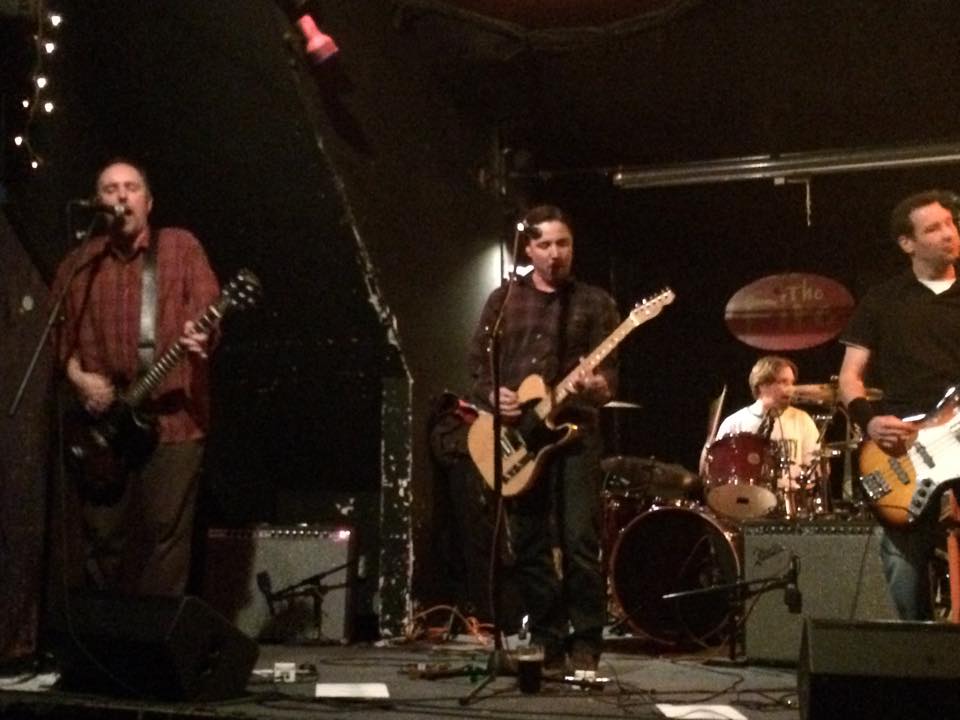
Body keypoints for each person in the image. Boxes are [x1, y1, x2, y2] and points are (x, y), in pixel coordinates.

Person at [52, 159, 220, 597]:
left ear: (148, 201)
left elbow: (209, 313)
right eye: (110, 190)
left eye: (131, 188)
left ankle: (157, 632)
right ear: (97, 202)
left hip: (172, 418)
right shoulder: (78, 265)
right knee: (103, 537)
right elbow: (56, 341)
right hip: (104, 424)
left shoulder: (180, 248)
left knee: (165, 538)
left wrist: (202, 336)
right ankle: (106, 629)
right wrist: (79, 379)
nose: (121, 197)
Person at [467, 204, 619, 671]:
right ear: (529, 249)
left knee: (579, 541)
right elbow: (477, 365)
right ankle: (548, 635)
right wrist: (493, 394)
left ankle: (586, 639)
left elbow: (610, 380)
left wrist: (596, 386)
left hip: (576, 433)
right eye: (546, 244)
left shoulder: (595, 302)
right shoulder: (503, 300)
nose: (556, 253)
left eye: (564, 243)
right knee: (529, 542)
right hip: (518, 436)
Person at [838, 189, 960, 620]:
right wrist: (870, 423)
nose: (949, 233)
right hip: (903, 446)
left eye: (950, 223)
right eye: (933, 228)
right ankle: (918, 648)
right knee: (904, 564)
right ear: (908, 243)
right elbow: (849, 378)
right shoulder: (882, 300)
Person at [711, 355, 821, 500]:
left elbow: (816, 468)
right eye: (783, 382)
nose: (791, 389)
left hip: (791, 502)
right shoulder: (734, 422)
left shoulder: (803, 420)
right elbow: (717, 469)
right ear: (762, 384)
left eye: (792, 383)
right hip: (745, 501)